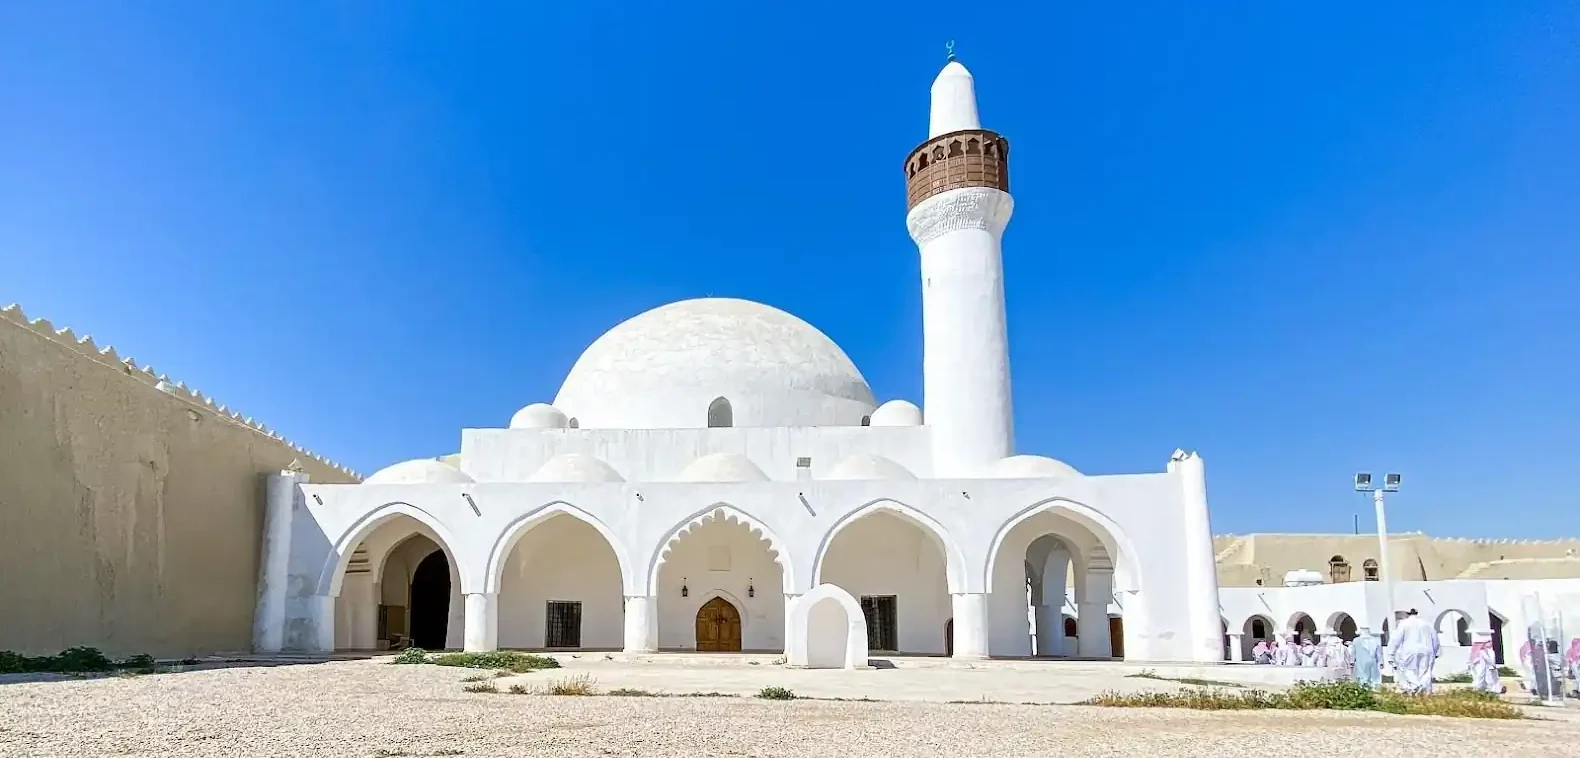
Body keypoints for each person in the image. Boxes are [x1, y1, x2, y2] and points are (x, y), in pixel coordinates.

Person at [1391, 609, 1440, 695]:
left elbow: (1396, 639)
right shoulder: (1427, 624)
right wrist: (1435, 652)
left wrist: (1391, 653)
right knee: (1425, 672)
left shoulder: (1404, 624)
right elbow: (1435, 639)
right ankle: (1423, 692)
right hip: (1427, 650)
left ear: (1407, 614)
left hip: (1409, 650)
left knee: (1409, 670)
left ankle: (1415, 687)